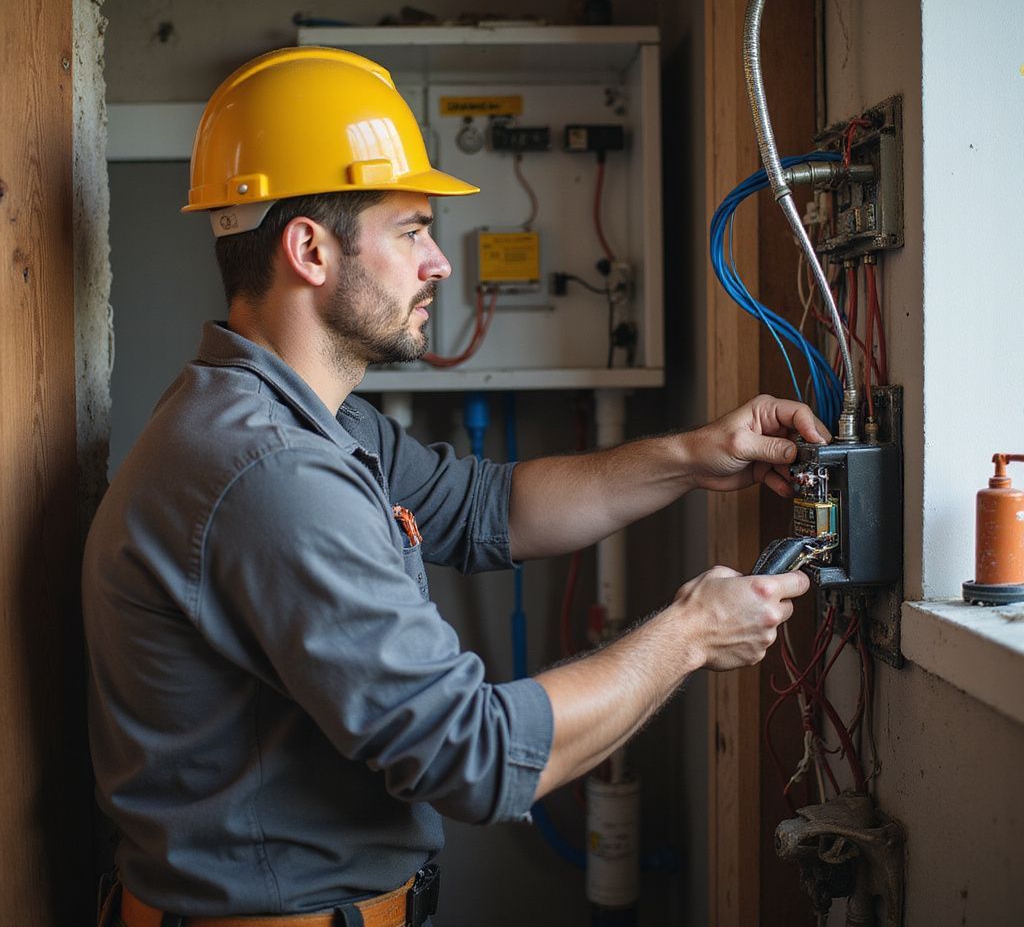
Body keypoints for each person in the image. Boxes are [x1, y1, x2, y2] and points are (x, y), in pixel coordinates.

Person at [83, 47, 824, 926]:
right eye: (410, 231)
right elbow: (470, 755)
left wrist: (694, 455)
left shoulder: (314, 421)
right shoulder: (271, 474)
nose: (439, 260)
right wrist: (691, 634)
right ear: (310, 249)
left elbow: (488, 510)